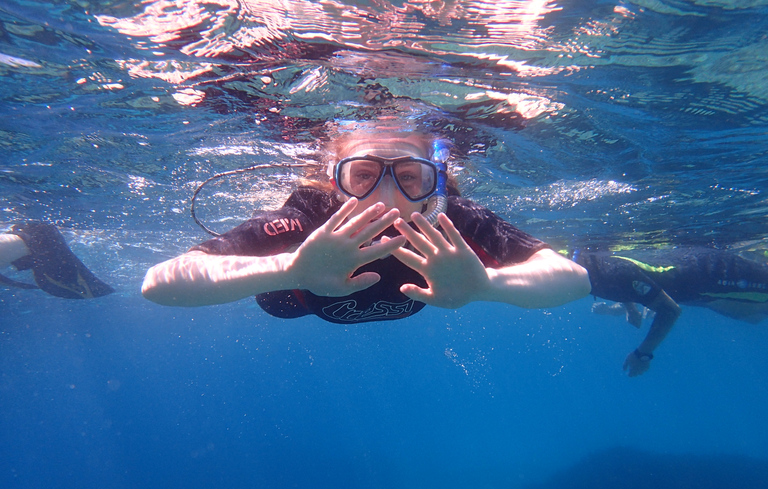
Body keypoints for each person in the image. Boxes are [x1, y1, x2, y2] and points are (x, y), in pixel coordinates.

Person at [142, 126, 591, 322]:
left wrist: (488, 285)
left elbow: (575, 280)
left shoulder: (452, 220)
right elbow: (159, 283)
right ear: (333, 182)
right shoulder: (303, 220)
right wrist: (291, 271)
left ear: (435, 183)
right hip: (291, 301)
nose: (387, 196)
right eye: (364, 176)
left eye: (409, 177)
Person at [573, 247, 768, 376]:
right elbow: (618, 277)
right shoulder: (588, 267)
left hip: (712, 272)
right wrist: (630, 307)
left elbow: (669, 311)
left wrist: (643, 354)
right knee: (752, 316)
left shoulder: (590, 271)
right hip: (692, 289)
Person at [1, 222, 114, 299]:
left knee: (94, 291)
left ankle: (38, 239)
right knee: (94, 291)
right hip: (36, 240)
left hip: (38, 239)